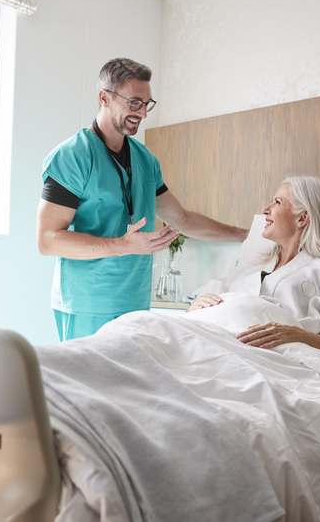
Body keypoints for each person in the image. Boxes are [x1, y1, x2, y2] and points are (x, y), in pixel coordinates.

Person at [37, 58, 248, 341]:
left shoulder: (146, 160)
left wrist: (246, 234)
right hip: (88, 303)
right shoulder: (72, 156)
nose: (143, 113)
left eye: (147, 104)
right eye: (134, 102)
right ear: (105, 98)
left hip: (135, 304)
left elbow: (182, 219)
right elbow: (48, 239)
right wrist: (123, 245)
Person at [188, 176, 320, 362]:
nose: (266, 209)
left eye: (277, 202)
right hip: (204, 345)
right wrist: (196, 306)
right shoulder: (253, 267)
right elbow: (204, 304)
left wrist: (300, 336)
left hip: (258, 361)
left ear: (302, 218)